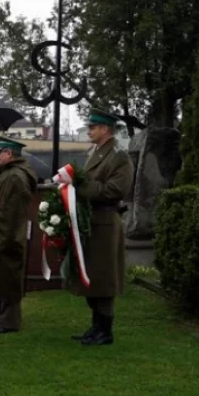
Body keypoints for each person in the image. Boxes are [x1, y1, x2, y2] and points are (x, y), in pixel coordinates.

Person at [69, 109, 134, 346]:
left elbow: (114, 191)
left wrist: (79, 186)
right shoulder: (97, 152)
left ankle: (105, 330)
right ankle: (96, 326)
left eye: (93, 128)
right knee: (93, 277)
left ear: (105, 129)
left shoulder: (119, 157)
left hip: (106, 223)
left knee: (104, 279)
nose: (89, 131)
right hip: (93, 223)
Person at [0, 137, 37, 335]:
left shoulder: (15, 177)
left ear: (9, 154)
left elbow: (11, 211)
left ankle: (9, 322)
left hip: (7, 235)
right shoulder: (8, 174)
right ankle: (1, 316)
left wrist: (4, 233)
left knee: (8, 278)